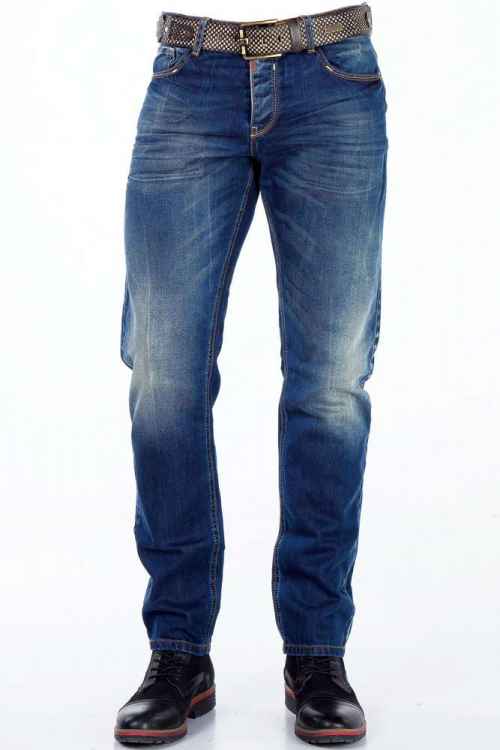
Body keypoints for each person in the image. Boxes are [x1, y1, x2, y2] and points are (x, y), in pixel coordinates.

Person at [115, 4, 388, 745]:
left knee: (330, 386)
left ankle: (318, 653)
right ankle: (178, 651)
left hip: (332, 72)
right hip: (190, 73)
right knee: (163, 380)